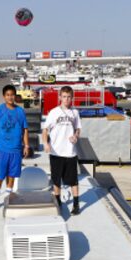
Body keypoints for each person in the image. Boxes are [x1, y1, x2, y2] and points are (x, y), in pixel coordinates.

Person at [0, 85, 29, 211]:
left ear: (15, 96)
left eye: (12, 95)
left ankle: (8, 197)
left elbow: (25, 129)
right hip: (1, 150)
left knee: (12, 175)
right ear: (4, 96)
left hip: (16, 150)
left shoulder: (20, 111)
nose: (10, 97)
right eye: (7, 95)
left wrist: (26, 145)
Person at [42, 85, 82, 215]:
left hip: (70, 152)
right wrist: (45, 143)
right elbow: (45, 130)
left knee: (73, 180)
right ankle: (58, 201)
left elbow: (78, 128)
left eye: (69, 97)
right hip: (56, 152)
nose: (66, 99)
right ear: (60, 97)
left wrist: (76, 136)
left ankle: (76, 205)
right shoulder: (54, 112)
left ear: (72, 98)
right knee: (56, 180)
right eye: (64, 97)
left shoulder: (75, 113)